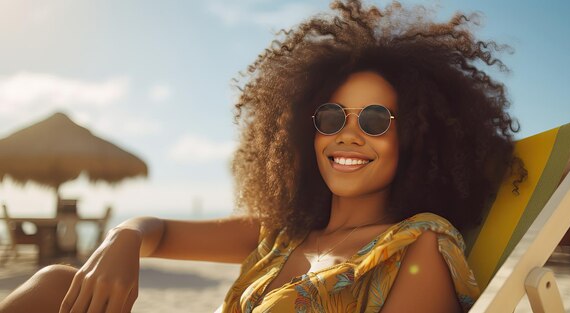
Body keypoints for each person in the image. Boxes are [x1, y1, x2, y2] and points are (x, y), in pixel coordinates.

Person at [0, 0, 524, 312]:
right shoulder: (283, 233)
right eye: (330, 118)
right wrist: (124, 238)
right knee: (57, 284)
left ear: (417, 139)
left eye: (373, 121)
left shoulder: (418, 245)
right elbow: (157, 228)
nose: (347, 135)